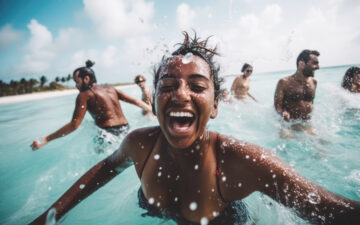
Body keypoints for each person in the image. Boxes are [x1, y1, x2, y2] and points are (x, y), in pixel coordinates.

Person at [30, 32, 360, 225]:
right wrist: (47, 217)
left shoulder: (239, 160)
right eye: (168, 85)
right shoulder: (138, 143)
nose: (181, 94)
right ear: (155, 98)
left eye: (198, 86)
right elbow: (104, 168)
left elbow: (333, 209)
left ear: (216, 106)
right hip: (154, 210)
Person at [31, 60, 151, 150]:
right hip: (125, 128)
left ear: (86, 79)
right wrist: (151, 110)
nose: (76, 86)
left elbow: (74, 125)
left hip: (108, 134)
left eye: (77, 82)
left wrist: (47, 139)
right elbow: (135, 102)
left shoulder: (85, 95)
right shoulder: (110, 88)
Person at [274, 50, 320, 135]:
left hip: (306, 124)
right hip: (288, 124)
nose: (318, 67)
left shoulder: (314, 82)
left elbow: (310, 103)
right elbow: (277, 105)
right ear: (301, 64)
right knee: (286, 138)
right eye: (314, 63)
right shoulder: (284, 82)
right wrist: (283, 112)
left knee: (322, 144)